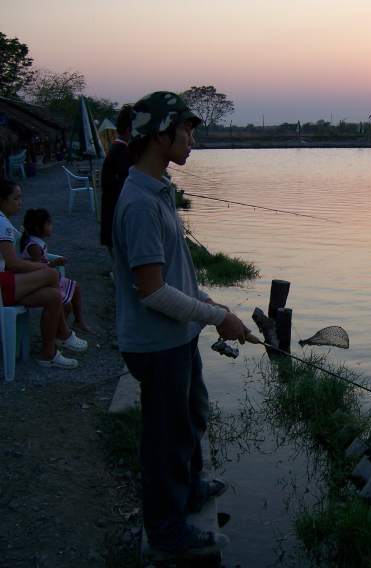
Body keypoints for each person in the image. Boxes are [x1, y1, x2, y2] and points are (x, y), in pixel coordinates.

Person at [113, 91, 247, 557]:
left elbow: (175, 277)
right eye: (187, 131)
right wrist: (217, 317)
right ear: (159, 136)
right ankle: (168, 534)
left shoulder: (159, 191)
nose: (192, 140)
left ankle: (190, 489)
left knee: (192, 417)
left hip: (178, 337)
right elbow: (151, 291)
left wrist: (213, 308)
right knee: (165, 440)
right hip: (156, 344)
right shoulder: (140, 204)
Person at [0, 180, 88, 368]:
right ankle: (63, 333)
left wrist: (40, 268)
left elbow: (12, 264)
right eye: (16, 198)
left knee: (53, 296)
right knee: (51, 275)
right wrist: (42, 269)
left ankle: (48, 354)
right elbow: (13, 264)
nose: (20, 202)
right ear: (1, 200)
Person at [19, 207, 92, 333]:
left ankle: (78, 320)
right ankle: (57, 332)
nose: (51, 226)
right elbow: (38, 271)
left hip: (44, 279)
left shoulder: (37, 243)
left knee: (76, 288)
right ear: (38, 228)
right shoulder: (34, 247)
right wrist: (54, 263)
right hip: (37, 283)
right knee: (65, 304)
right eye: (48, 223)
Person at [100, 104, 133, 254]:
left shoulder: (118, 149)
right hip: (115, 218)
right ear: (128, 130)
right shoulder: (121, 151)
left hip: (112, 217)